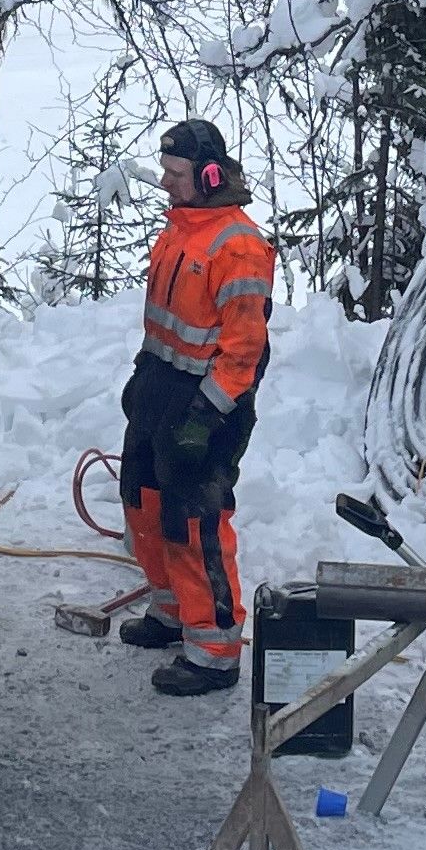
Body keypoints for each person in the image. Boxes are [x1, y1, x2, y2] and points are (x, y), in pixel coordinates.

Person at [118, 116, 272, 696]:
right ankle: (171, 610)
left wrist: (206, 416)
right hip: (160, 390)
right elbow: (166, 323)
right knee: (144, 502)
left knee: (194, 523)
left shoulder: (239, 246)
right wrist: (143, 378)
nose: (165, 182)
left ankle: (214, 651)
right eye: (164, 170)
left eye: (176, 173)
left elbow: (244, 350)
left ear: (209, 176)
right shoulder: (179, 230)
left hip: (207, 403)